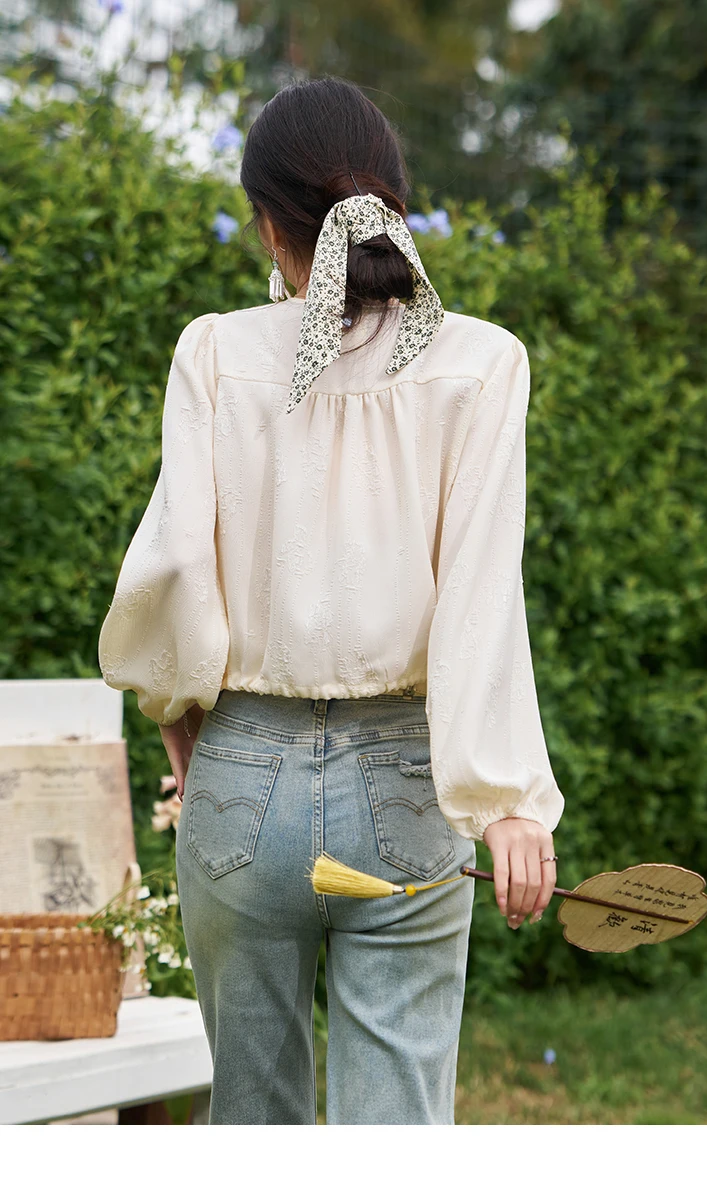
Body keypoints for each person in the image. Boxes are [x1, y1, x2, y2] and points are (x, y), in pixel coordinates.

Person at [98, 75, 564, 1125]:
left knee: (251, 1122)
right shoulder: (483, 365)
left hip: (240, 781)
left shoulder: (215, 353)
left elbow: (173, 574)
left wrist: (188, 734)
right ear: (393, 201)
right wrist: (506, 802)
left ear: (269, 226)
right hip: (408, 786)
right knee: (393, 1138)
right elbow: (481, 601)